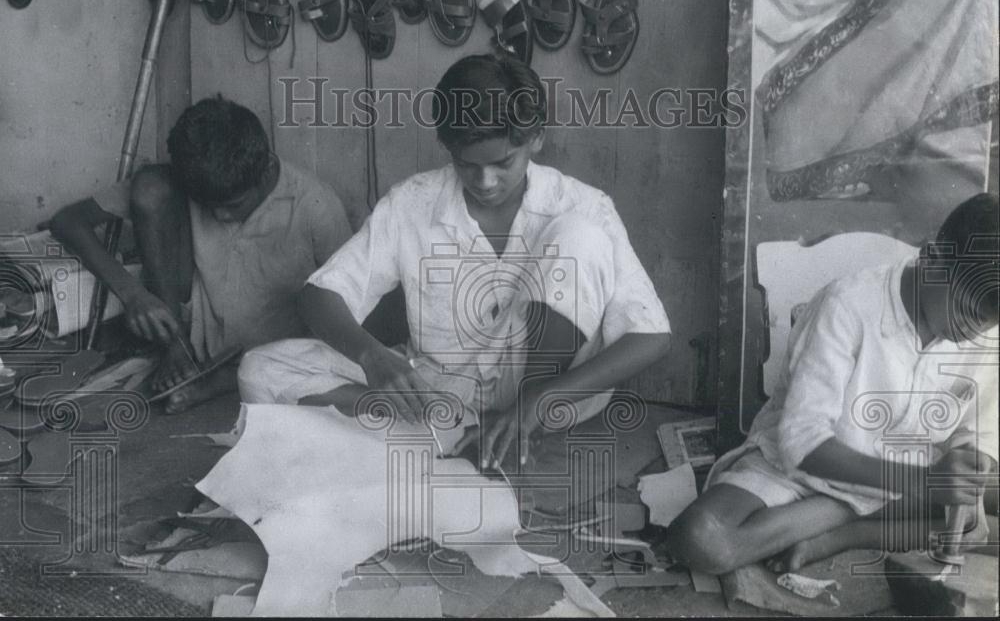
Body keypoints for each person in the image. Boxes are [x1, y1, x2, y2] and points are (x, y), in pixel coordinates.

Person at [238, 54, 672, 469]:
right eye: (467, 165)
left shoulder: (582, 204)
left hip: (550, 396)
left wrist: (537, 403)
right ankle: (457, 436)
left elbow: (650, 335)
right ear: (447, 147)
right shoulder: (414, 201)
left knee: (580, 237)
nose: (485, 181)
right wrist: (370, 355)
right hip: (443, 388)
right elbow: (320, 295)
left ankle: (515, 428)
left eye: (503, 163)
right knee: (261, 369)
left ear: (536, 137)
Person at [662, 192, 1000, 575]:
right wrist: (925, 483)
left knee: (980, 506)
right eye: (967, 313)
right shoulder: (848, 305)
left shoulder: (981, 334)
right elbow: (802, 443)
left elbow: (976, 427)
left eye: (986, 324)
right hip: (804, 472)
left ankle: (842, 534)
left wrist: (972, 468)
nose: (971, 332)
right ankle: (839, 513)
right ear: (933, 260)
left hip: (906, 480)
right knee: (702, 539)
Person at [48, 96, 351, 414]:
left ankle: (225, 378)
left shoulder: (316, 205)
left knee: (303, 340)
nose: (219, 216)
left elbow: (351, 307)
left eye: (233, 205)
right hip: (193, 329)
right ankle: (176, 348)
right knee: (150, 186)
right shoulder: (195, 177)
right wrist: (132, 294)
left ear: (268, 169)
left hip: (276, 350)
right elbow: (67, 221)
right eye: (207, 205)